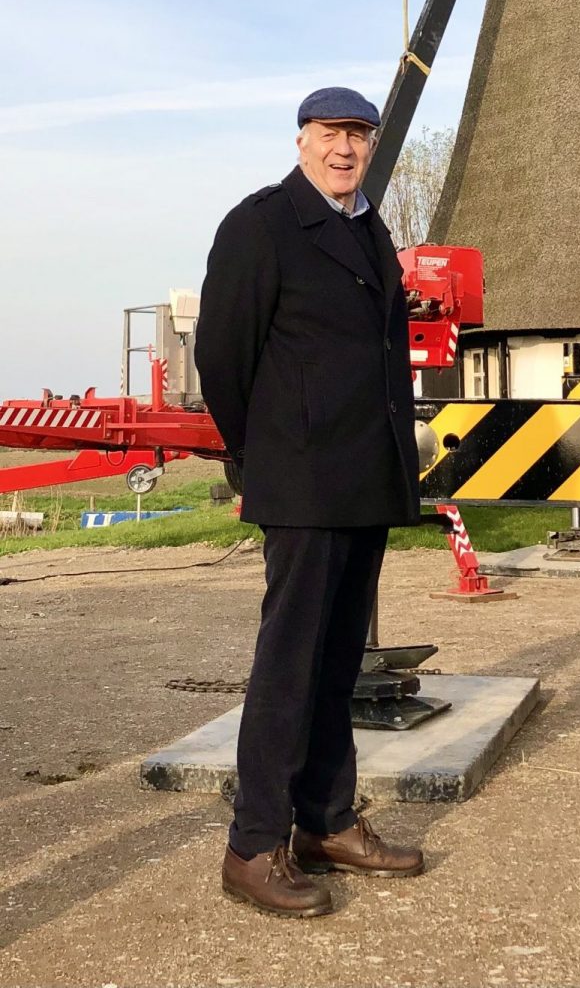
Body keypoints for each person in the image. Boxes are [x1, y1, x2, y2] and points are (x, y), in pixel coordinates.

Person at [195, 86, 424, 919]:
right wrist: (258, 458)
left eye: (359, 136)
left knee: (337, 664)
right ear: (301, 142)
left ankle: (325, 823)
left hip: (365, 476)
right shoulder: (262, 225)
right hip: (301, 477)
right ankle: (254, 843)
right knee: (288, 664)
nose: (346, 149)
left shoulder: (370, 226)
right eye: (332, 134)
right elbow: (223, 355)